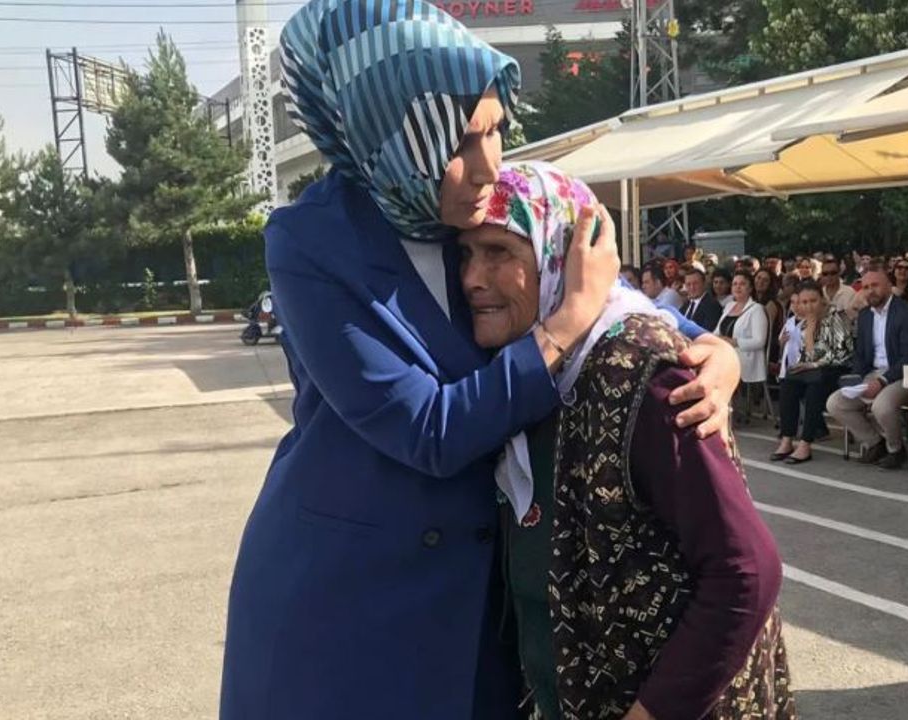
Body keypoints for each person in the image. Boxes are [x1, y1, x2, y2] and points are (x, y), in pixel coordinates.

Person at [220, 5, 742, 719]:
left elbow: (601, 289)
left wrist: (713, 349)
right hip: (347, 599)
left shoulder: (475, 204)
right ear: (387, 130)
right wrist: (563, 328)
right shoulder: (311, 242)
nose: (490, 164)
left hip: (485, 605)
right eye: (462, 139)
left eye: (495, 130)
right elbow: (426, 429)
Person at [463, 162, 795, 720]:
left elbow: (745, 570)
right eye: (466, 254)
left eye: (499, 252)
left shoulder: (644, 370)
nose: (472, 277)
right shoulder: (526, 371)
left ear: (563, 259)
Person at [826, 267, 908, 470]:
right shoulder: (865, 316)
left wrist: (882, 381)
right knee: (835, 403)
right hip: (873, 373)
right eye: (865, 287)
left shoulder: (907, 313)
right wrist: (856, 378)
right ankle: (875, 443)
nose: (870, 291)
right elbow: (861, 354)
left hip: (902, 374)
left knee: (882, 406)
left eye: (875, 285)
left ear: (889, 286)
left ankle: (895, 449)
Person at [772, 281, 855, 464]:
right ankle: (787, 439)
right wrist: (809, 330)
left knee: (815, 387)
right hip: (814, 370)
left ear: (822, 300)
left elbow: (841, 354)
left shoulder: (836, 317)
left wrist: (812, 359)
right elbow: (809, 356)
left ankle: (805, 443)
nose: (809, 306)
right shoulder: (803, 323)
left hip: (836, 369)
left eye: (813, 301)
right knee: (788, 382)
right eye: (804, 302)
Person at [720, 271, 771, 422]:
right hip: (726, 352)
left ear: (750, 288)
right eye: (735, 284)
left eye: (742, 284)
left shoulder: (757, 309)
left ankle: (725, 413)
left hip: (746, 356)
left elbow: (760, 341)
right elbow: (717, 331)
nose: (738, 287)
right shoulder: (729, 306)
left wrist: (735, 342)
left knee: (719, 368)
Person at [755, 268, 786, 373]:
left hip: (768, 349)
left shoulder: (771, 304)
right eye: (758, 278)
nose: (760, 282)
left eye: (765, 280)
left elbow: (765, 331)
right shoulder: (753, 301)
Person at [681, 266, 725, 332]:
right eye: (688, 284)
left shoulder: (712, 306)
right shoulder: (686, 305)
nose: (692, 287)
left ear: (704, 283)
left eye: (695, 283)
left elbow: (706, 332)